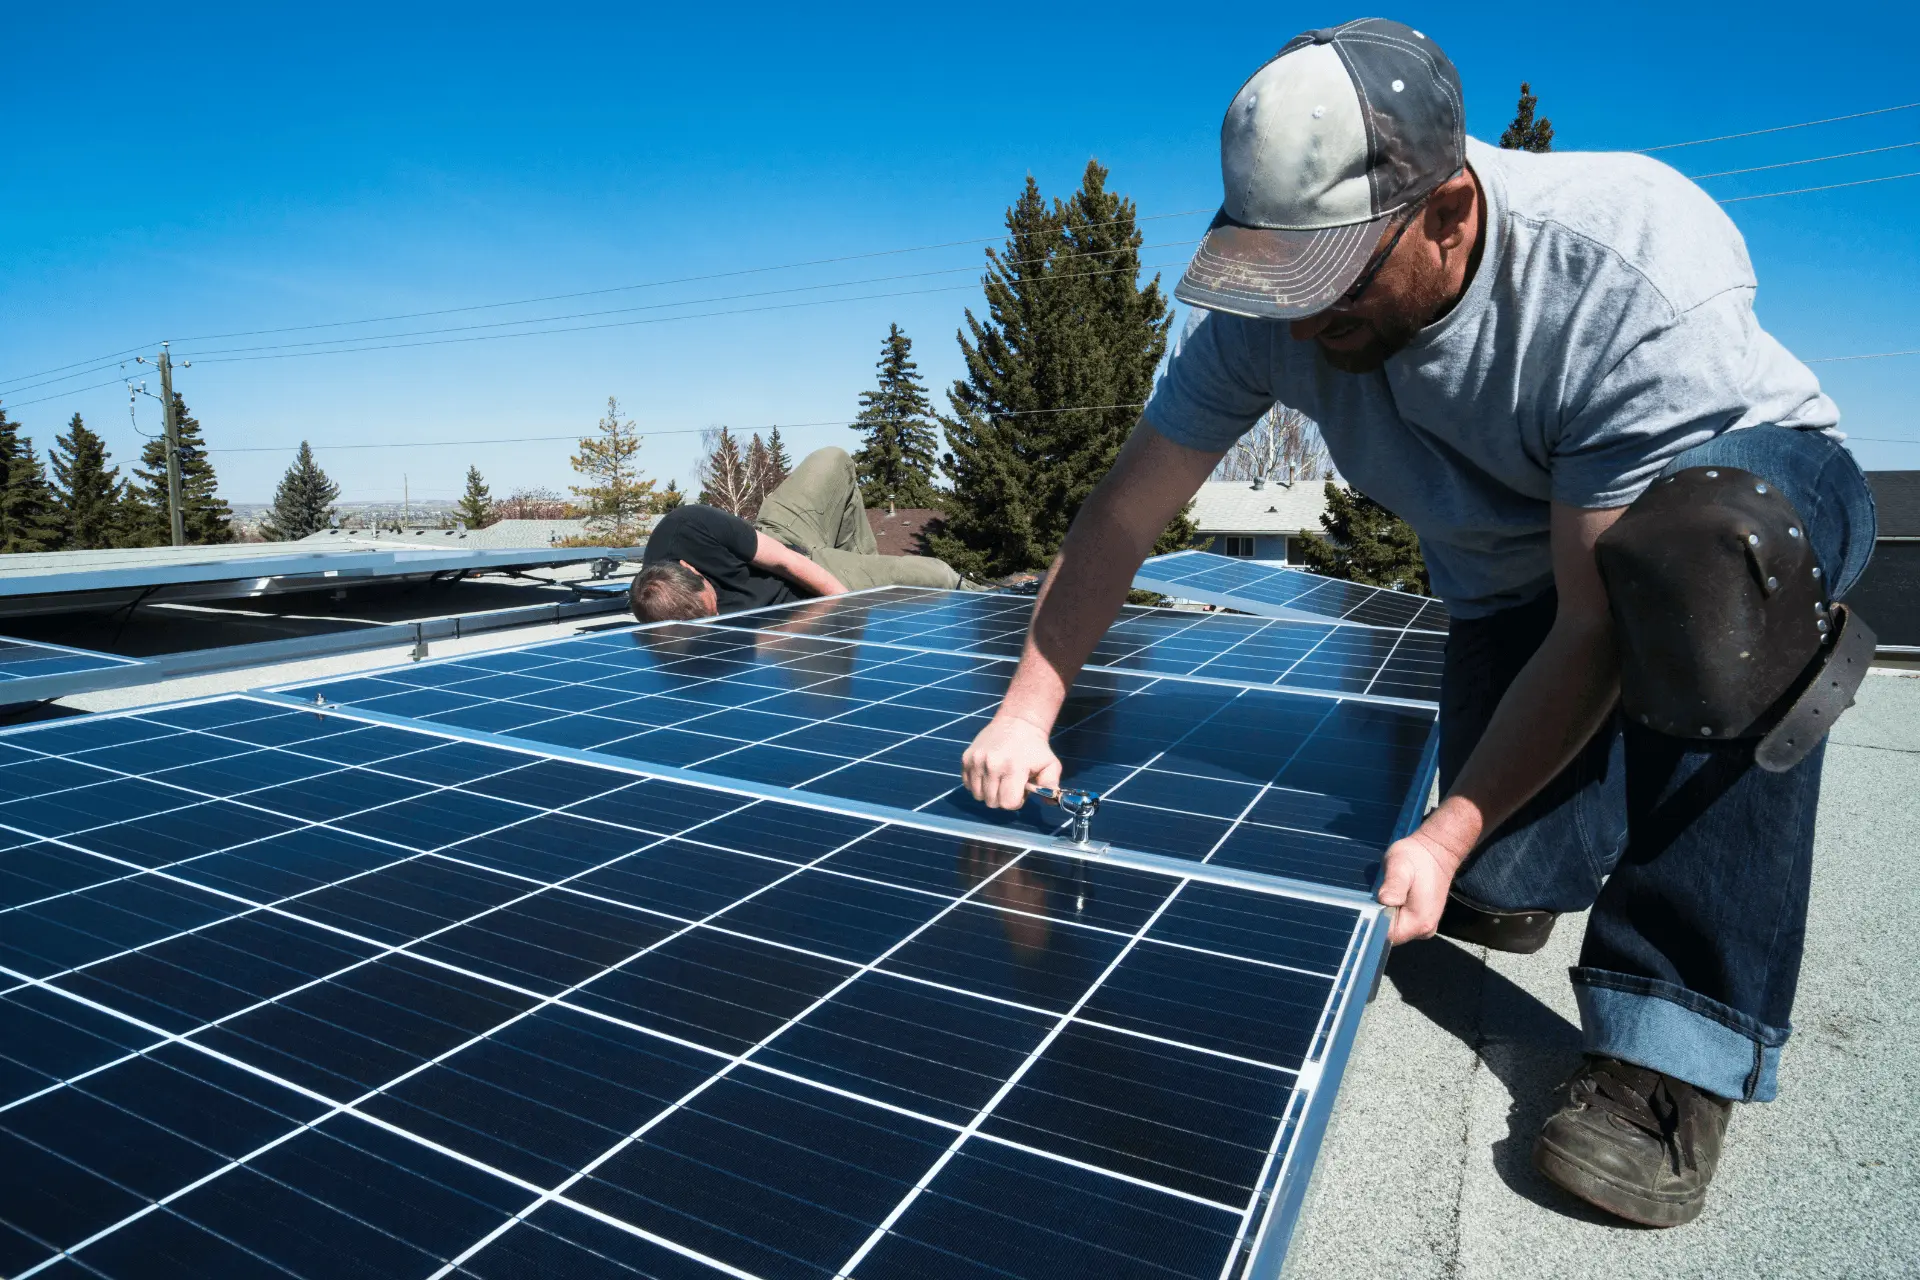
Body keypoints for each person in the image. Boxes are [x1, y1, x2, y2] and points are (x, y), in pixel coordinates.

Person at [958, 18, 1876, 1228]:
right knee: (1503, 874)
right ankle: (1552, 830)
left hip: (1735, 515)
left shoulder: (1621, 256)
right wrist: (1029, 708)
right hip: (1517, 574)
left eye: (1330, 278)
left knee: (1702, 579)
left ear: (1446, 212)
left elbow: (1598, 621)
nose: (1297, 321)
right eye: (1279, 275)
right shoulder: (1268, 310)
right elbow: (1125, 513)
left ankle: (1677, 1046)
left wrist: (1439, 833)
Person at [630, 446, 968, 621]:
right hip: (797, 606)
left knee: (834, 459)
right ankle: (1006, 593)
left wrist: (851, 608)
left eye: (712, 604)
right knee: (935, 575)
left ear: (690, 569)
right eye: (711, 619)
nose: (718, 615)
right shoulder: (671, 623)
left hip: (785, 546)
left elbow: (786, 561)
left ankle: (861, 569)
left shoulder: (688, 525)